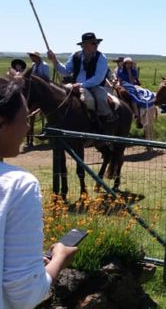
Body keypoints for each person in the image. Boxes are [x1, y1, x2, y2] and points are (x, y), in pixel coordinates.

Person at [0, 78, 77, 308]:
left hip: (83, 88)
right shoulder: (19, 185)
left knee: (103, 101)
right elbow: (25, 296)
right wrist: (60, 259)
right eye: (24, 119)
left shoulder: (100, 59)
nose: (27, 127)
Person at [48, 32, 115, 124]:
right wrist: (54, 61)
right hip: (75, 85)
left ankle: (103, 120)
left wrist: (81, 85)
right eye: (93, 43)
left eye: (97, 43)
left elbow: (98, 78)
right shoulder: (75, 55)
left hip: (94, 86)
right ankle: (55, 121)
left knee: (101, 98)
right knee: (59, 95)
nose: (96, 45)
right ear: (84, 45)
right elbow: (66, 71)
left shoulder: (101, 58)